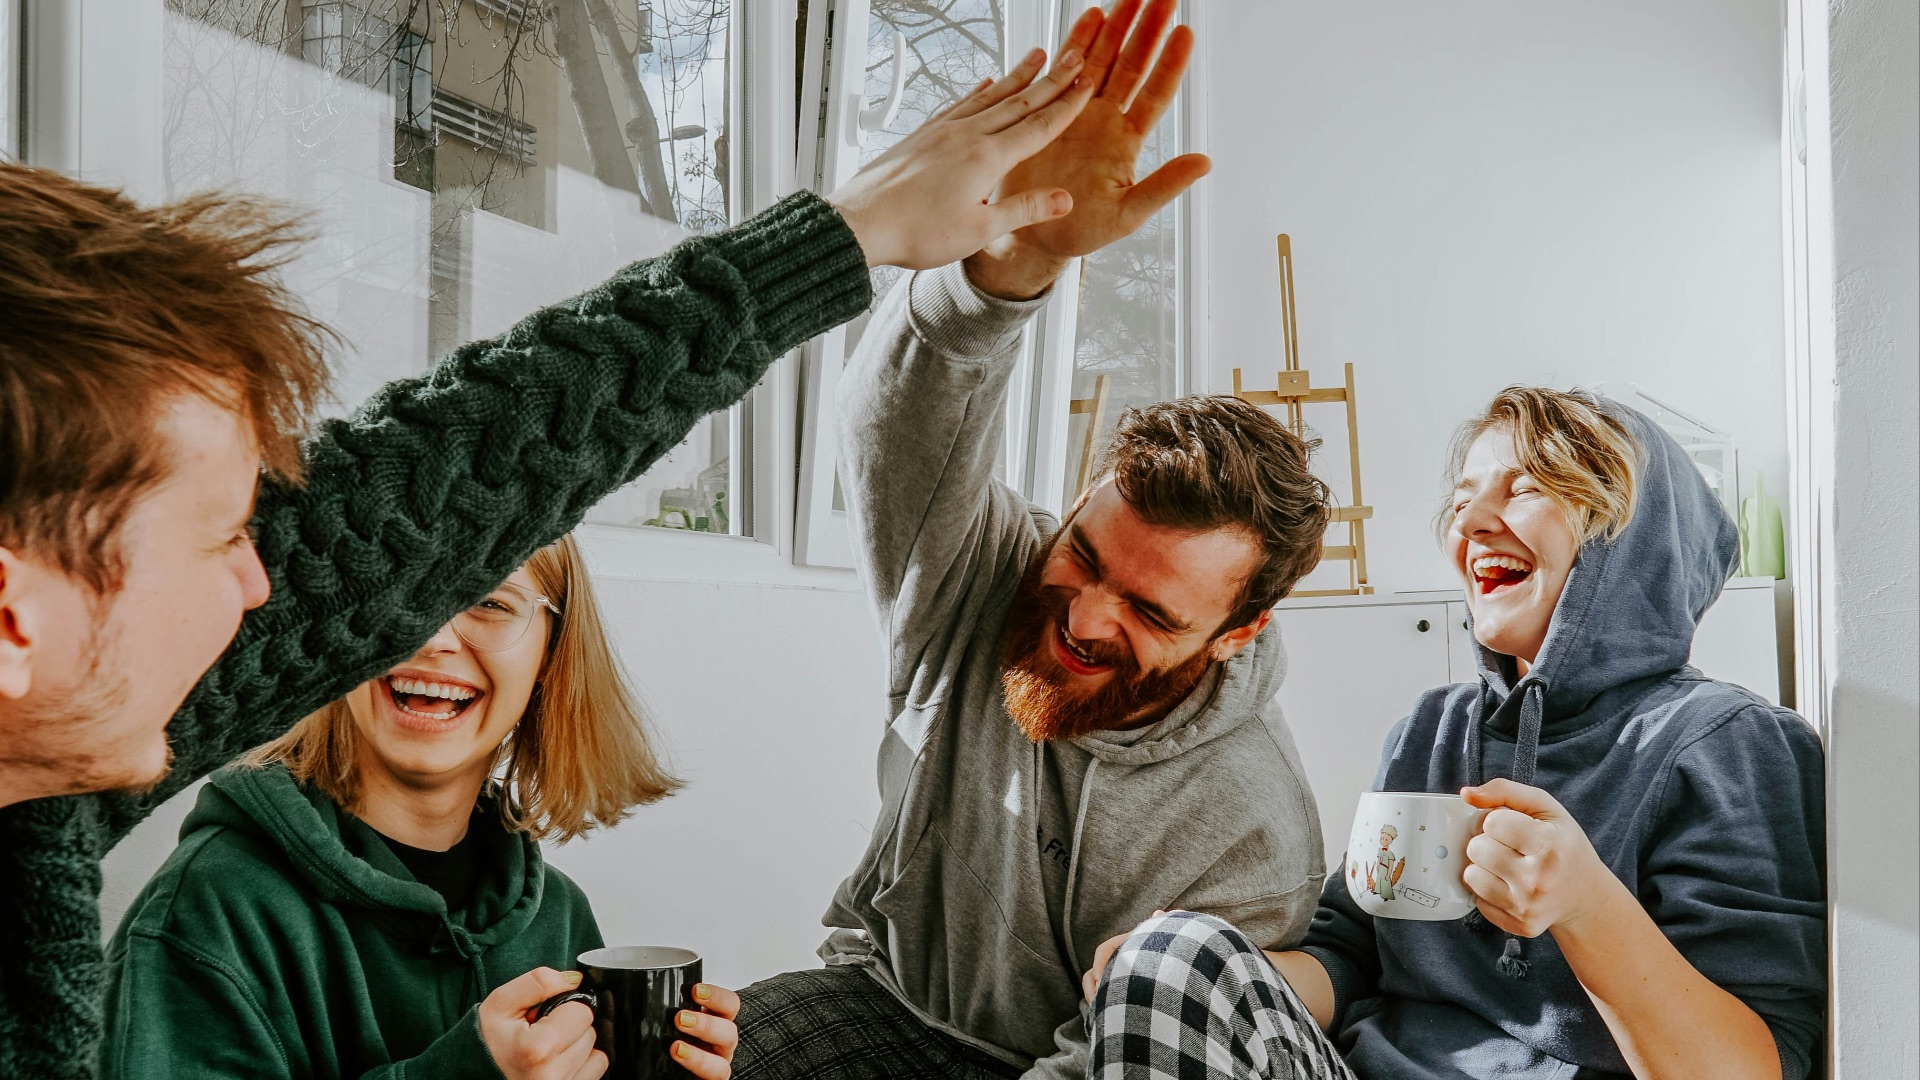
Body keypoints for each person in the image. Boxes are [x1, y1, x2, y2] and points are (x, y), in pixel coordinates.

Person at [0, 49, 1103, 1077]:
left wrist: (848, 232)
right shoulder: (200, 898)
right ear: (14, 620)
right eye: (226, 537)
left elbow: (442, 475)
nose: (264, 585)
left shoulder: (38, 797)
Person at [730, 4, 1336, 1077]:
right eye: (1089, 557)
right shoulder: (982, 577)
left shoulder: (1250, 826)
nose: (1088, 617)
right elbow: (897, 430)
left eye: (1153, 612)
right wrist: (1009, 265)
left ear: (1238, 634)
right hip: (885, 1003)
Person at [1077, 388, 1827, 1080]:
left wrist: (1588, 906)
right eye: (1464, 501)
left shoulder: (1728, 744)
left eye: (1527, 487)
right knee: (1168, 957)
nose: (1469, 525)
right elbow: (1348, 958)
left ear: (1630, 538)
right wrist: (1193, 971)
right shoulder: (1431, 729)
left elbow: (1761, 1063)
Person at [99, 535, 739, 1079]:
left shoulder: (559, 915)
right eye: (405, 593)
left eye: (490, 602)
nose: (434, 638)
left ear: (549, 655)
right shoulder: (207, 910)